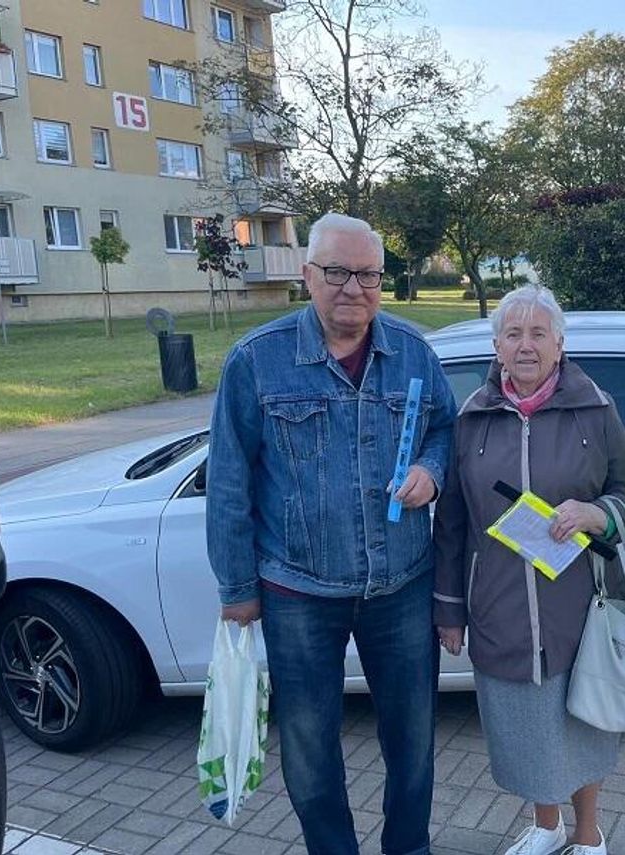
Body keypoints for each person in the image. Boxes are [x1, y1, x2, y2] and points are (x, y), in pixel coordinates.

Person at [206, 212, 457, 855]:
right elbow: (230, 481)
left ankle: (409, 848)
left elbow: (444, 430)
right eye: (338, 272)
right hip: (297, 590)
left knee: (413, 743)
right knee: (310, 751)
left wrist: (431, 468)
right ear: (308, 275)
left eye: (368, 274)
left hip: (401, 583)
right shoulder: (256, 363)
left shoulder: (415, 354)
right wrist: (238, 589)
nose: (354, 287)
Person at [433, 286, 625, 855]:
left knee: (582, 721)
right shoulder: (473, 418)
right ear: (496, 345)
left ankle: (586, 834)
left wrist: (597, 513)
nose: (526, 345)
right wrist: (450, 608)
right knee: (531, 726)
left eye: (538, 334)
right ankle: (546, 825)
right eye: (514, 334)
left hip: (580, 604)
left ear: (560, 344)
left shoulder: (595, 408)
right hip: (499, 605)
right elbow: (454, 518)